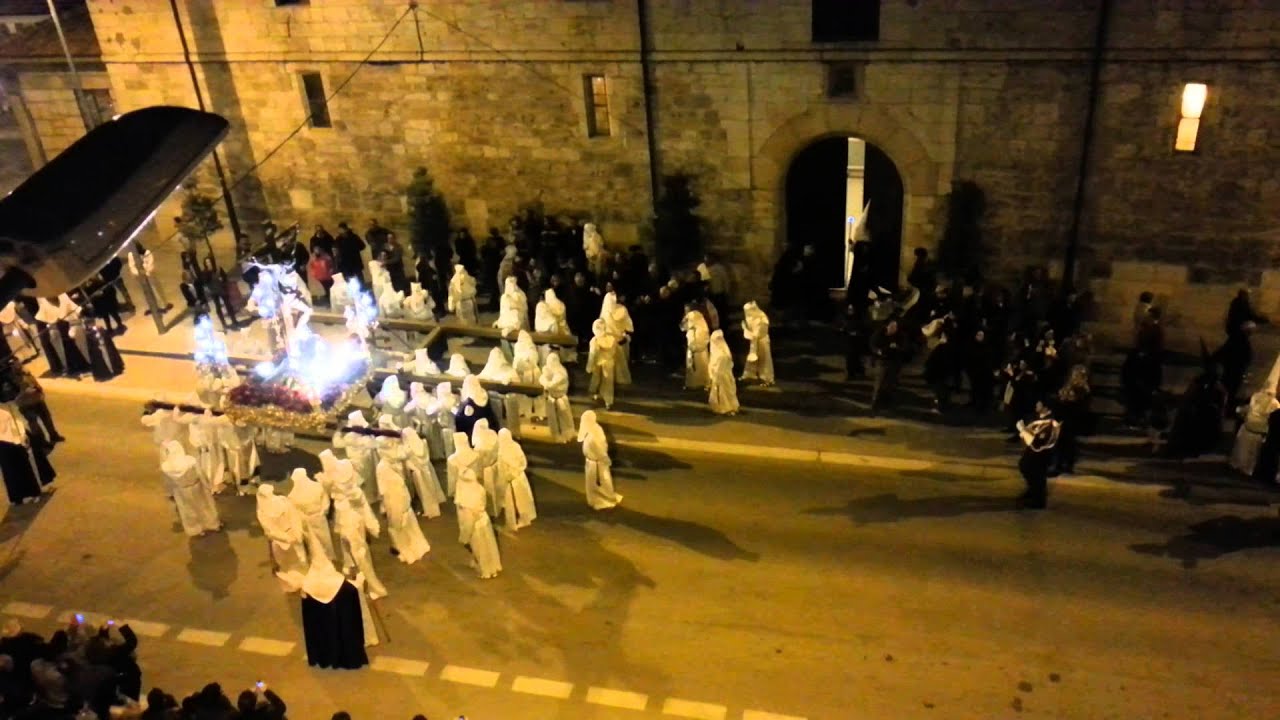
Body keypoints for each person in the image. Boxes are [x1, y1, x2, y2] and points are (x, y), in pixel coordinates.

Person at [300, 553, 369, 670]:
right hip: (339, 620)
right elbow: (353, 592)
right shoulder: (341, 584)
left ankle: (324, 657)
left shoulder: (307, 586)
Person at [375, 449, 431, 564]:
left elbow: (382, 490)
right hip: (400, 496)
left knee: (397, 524)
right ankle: (408, 544)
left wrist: (383, 505)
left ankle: (402, 547)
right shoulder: (393, 463)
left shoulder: (383, 467)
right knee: (404, 521)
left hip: (394, 498)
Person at [0, 391, 54, 505]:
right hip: (13, 438)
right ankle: (36, 490)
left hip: (6, 441)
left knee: (11, 470)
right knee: (28, 463)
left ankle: (18, 497)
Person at [159, 441, 221, 537]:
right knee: (204, 506)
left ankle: (195, 529)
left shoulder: (166, 467)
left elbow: (168, 482)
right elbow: (200, 474)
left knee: (188, 510)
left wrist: (170, 493)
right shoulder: (190, 461)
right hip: (196, 486)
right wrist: (208, 485)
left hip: (181, 490)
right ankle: (212, 524)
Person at [256, 485, 309, 592]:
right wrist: (296, 534)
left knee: (286, 564)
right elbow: (294, 518)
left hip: (279, 541)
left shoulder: (262, 511)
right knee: (299, 560)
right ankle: (302, 582)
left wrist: (285, 538)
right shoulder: (284, 501)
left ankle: (293, 585)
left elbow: (269, 531)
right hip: (291, 535)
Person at [455, 468, 502, 579]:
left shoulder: (465, 499)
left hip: (475, 525)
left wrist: (465, 534)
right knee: (489, 545)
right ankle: (493, 567)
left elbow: (468, 519)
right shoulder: (480, 489)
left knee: (479, 549)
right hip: (484, 521)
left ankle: (485, 571)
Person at [288, 468, 337, 564]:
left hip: (312, 519)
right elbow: (325, 500)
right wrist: (323, 511)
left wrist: (322, 511)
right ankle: (325, 559)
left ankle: (326, 559)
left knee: (319, 540)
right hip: (316, 518)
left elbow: (295, 512)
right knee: (319, 540)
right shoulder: (315, 487)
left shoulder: (293, 495)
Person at [1016, 403, 1060, 509]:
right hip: (1032, 452)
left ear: (1046, 407)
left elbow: (1037, 444)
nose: (1036, 405)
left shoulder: (1050, 424)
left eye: (1039, 404)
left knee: (1037, 475)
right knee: (1025, 467)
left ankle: (1038, 501)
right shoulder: (1038, 419)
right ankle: (1033, 491)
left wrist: (1023, 429)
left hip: (1042, 455)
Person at [578, 410, 621, 510]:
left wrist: (605, 459)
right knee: (593, 482)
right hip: (592, 461)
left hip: (597, 461)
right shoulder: (591, 429)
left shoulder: (595, 433)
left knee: (602, 480)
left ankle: (605, 498)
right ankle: (597, 498)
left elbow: (600, 448)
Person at [1231, 387, 1279, 476]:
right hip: (1261, 431)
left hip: (1249, 427)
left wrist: (1240, 411)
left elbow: (1245, 409)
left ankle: (1239, 465)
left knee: (1243, 449)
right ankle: (1248, 469)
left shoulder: (1256, 397)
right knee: (1254, 452)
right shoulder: (1275, 403)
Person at [497, 428, 537, 530]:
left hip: (516, 478)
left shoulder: (507, 448)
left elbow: (521, 462)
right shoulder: (511, 446)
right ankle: (515, 520)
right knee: (517, 500)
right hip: (515, 477)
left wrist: (513, 473)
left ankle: (524, 519)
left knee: (520, 500)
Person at [401, 426, 446, 517]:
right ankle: (432, 507)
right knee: (430, 489)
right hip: (426, 470)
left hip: (418, 473)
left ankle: (430, 510)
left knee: (424, 492)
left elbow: (407, 459)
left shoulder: (409, 448)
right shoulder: (421, 443)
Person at [870, 318, 908, 413]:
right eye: (891, 326)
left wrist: (898, 348)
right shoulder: (879, 334)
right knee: (879, 382)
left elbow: (905, 347)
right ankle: (875, 404)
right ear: (887, 326)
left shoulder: (900, 336)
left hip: (894, 362)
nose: (893, 328)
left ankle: (888, 402)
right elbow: (873, 344)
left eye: (895, 327)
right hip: (882, 361)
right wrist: (878, 351)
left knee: (891, 383)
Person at [539, 352, 576, 443]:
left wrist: (546, 383)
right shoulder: (548, 370)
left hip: (560, 398)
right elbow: (542, 379)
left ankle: (568, 434)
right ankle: (556, 435)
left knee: (564, 418)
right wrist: (545, 380)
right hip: (551, 398)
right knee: (553, 419)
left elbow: (552, 384)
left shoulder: (561, 372)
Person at [739, 301, 774, 386]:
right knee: (751, 359)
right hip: (755, 341)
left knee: (764, 360)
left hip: (762, 341)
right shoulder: (752, 318)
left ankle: (767, 378)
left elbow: (756, 334)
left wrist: (745, 330)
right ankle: (749, 374)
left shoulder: (761, 319)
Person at [587, 318, 618, 409]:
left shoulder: (595, 340)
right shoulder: (611, 339)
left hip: (598, 363)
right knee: (608, 383)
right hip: (609, 363)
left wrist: (589, 366)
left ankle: (595, 396)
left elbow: (592, 355)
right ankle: (608, 401)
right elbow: (614, 352)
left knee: (596, 380)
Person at [707, 329, 739, 415]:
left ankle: (726, 408)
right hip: (722, 376)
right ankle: (724, 407)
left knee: (724, 392)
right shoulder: (720, 352)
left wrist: (714, 376)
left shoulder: (721, 354)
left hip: (722, 377)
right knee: (724, 392)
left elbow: (719, 367)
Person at [455, 374, 498, 438]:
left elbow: (464, 419)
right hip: (490, 427)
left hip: (473, 433)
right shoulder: (483, 395)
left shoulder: (469, 401)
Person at [681, 304, 710, 390]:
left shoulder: (694, 316)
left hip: (697, 345)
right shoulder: (694, 318)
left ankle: (700, 383)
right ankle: (693, 383)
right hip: (693, 345)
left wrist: (696, 345)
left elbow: (685, 326)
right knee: (693, 365)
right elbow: (683, 327)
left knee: (698, 365)